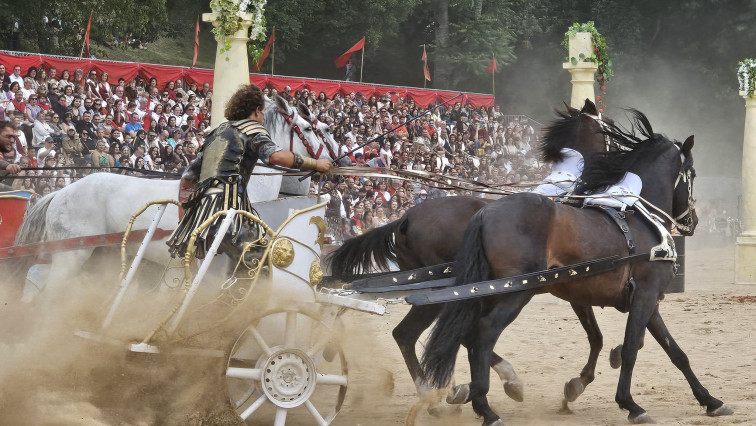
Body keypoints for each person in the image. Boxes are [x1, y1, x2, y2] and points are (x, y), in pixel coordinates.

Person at [166, 84, 333, 259]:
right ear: (256, 111)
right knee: (260, 260)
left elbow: (188, 177)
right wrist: (315, 164)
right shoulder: (254, 130)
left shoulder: (217, 132)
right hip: (229, 211)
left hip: (200, 214)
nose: (263, 117)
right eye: (263, 112)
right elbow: (275, 157)